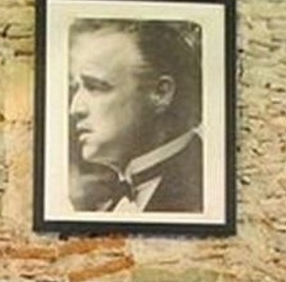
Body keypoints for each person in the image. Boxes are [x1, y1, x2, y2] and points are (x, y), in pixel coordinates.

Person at [68, 17, 203, 213]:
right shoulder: (110, 204)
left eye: (95, 86)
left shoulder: (204, 189)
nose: (75, 109)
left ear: (161, 93)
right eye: (76, 88)